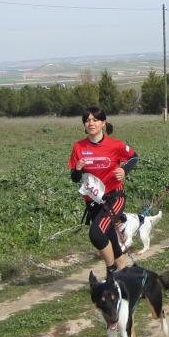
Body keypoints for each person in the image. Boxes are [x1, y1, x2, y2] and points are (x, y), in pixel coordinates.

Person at [68, 107, 139, 275]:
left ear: (103, 123)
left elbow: (134, 157)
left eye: (95, 120)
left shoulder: (115, 145)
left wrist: (124, 170)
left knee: (97, 234)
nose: (91, 123)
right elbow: (75, 178)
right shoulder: (78, 146)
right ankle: (123, 271)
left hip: (114, 197)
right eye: (87, 120)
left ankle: (111, 270)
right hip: (93, 201)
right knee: (109, 236)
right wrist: (78, 170)